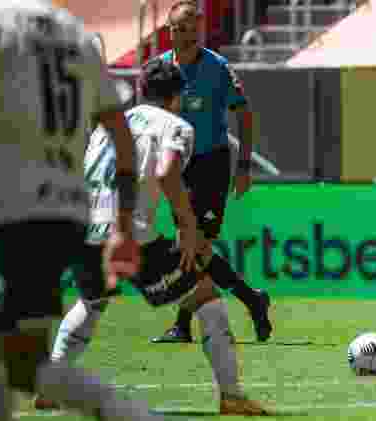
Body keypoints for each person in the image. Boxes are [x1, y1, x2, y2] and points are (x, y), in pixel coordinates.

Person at [35, 59, 269, 415]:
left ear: (141, 91)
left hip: (85, 228)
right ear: (178, 96)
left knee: (91, 303)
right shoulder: (174, 125)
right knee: (207, 299)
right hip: (131, 234)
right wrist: (187, 226)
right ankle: (231, 396)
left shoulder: (106, 127)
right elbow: (167, 171)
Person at [0, 1, 158, 420]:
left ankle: (135, 416)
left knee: (8, 351)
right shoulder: (74, 32)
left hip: (17, 211)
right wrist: (123, 227)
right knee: (2, 347)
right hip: (70, 215)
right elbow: (121, 138)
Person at [151, 0, 272, 344]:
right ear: (169, 31)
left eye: (190, 27)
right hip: (176, 168)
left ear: (199, 29)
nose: (184, 34)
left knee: (195, 245)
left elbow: (244, 114)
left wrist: (245, 165)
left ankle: (183, 325)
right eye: (178, 27)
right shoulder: (159, 69)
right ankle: (252, 298)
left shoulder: (217, 67)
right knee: (191, 247)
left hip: (211, 165)